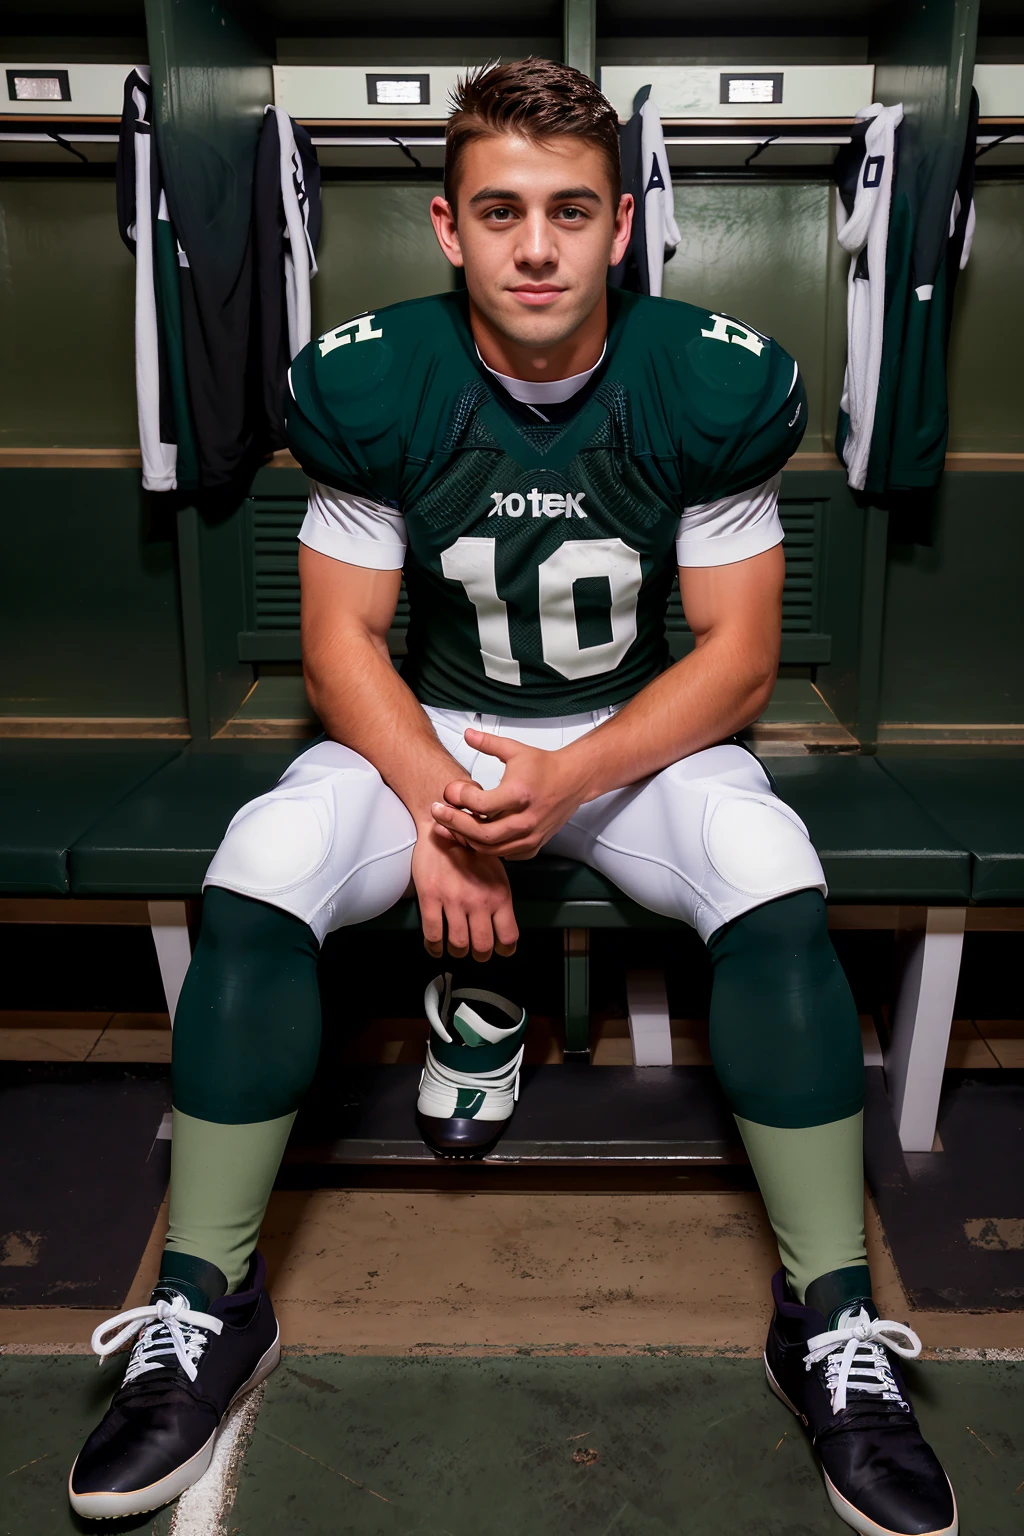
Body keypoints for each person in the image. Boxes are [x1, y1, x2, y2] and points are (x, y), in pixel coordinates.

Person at [70, 58, 957, 1536]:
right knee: (264, 858)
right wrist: (447, 807)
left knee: (771, 868)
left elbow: (735, 666)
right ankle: (206, 1302)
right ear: (446, 227)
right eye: (500, 212)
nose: (535, 246)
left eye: (568, 210)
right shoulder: (371, 378)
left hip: (624, 737)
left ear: (621, 227)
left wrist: (562, 784)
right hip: (423, 726)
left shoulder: (710, 376)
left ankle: (832, 1326)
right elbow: (342, 644)